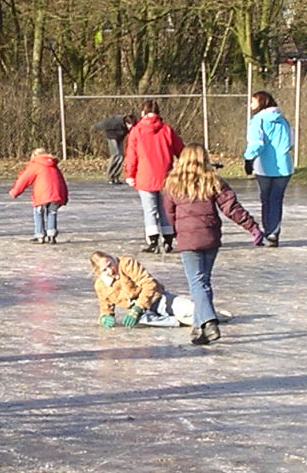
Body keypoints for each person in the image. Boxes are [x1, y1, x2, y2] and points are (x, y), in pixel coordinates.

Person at [159, 142, 262, 346]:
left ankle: (209, 322)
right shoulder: (213, 180)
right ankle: (200, 328)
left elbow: (168, 215)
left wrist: (172, 235)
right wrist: (252, 227)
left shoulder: (172, 183)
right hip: (210, 237)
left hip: (188, 240)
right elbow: (232, 208)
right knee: (203, 282)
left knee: (197, 282)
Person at [122, 99, 184, 252]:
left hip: (145, 176)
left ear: (143, 112)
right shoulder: (167, 129)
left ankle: (153, 242)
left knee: (150, 209)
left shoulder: (137, 130)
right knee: (166, 209)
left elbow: (132, 155)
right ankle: (168, 240)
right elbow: (181, 150)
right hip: (166, 177)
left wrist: (130, 174)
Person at [244, 90, 293, 246]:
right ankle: (273, 232)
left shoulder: (257, 120)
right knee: (276, 199)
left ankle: (269, 231)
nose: (250, 105)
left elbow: (256, 143)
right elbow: (291, 141)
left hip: (264, 167)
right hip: (284, 167)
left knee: (266, 199)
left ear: (261, 102)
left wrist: (248, 158)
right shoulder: (283, 120)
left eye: (253, 101)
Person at [89, 249, 187, 328]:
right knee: (139, 320)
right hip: (141, 315)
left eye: (110, 265)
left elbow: (149, 283)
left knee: (188, 311)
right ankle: (175, 321)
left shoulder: (126, 264)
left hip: (157, 299)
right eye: (104, 270)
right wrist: (104, 318)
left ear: (112, 259)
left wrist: (138, 307)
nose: (110, 271)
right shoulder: (101, 285)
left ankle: (180, 319)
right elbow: (105, 307)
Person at [9, 146, 69, 243]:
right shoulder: (54, 166)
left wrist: (15, 192)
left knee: (38, 213)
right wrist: (65, 197)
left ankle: (40, 235)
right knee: (52, 213)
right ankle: (51, 235)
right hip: (56, 195)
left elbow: (24, 180)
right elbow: (62, 182)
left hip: (41, 195)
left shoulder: (36, 165)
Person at [94, 112, 135, 185]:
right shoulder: (116, 121)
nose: (130, 127)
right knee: (116, 155)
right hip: (112, 137)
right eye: (129, 125)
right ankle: (110, 176)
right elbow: (105, 123)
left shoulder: (132, 124)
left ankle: (116, 176)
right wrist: (95, 126)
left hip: (120, 138)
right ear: (126, 122)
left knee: (121, 156)